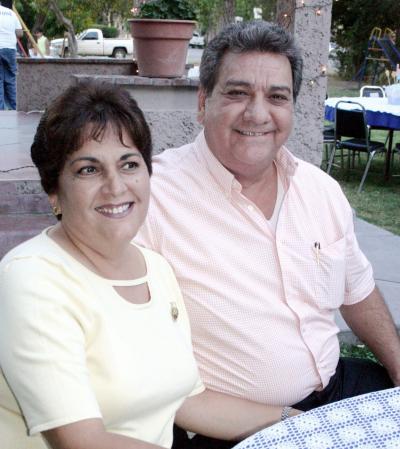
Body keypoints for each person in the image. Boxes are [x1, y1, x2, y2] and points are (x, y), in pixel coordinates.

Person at [135, 20, 400, 448]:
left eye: (277, 97)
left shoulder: (321, 191)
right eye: (237, 93)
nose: (258, 113)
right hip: (229, 428)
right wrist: (289, 423)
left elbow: (358, 291)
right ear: (203, 103)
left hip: (333, 391)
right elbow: (134, 362)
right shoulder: (152, 200)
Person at [0, 80, 301, 449]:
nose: (115, 187)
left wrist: (293, 420)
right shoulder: (32, 279)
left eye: (129, 164)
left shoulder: (155, 269)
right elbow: (82, 442)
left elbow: (188, 402)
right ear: (54, 192)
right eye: (88, 170)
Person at [0, 0, 22, 109]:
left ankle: (1, 111)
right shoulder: (11, 13)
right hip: (10, 48)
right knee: (11, 80)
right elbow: (20, 33)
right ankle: (15, 108)